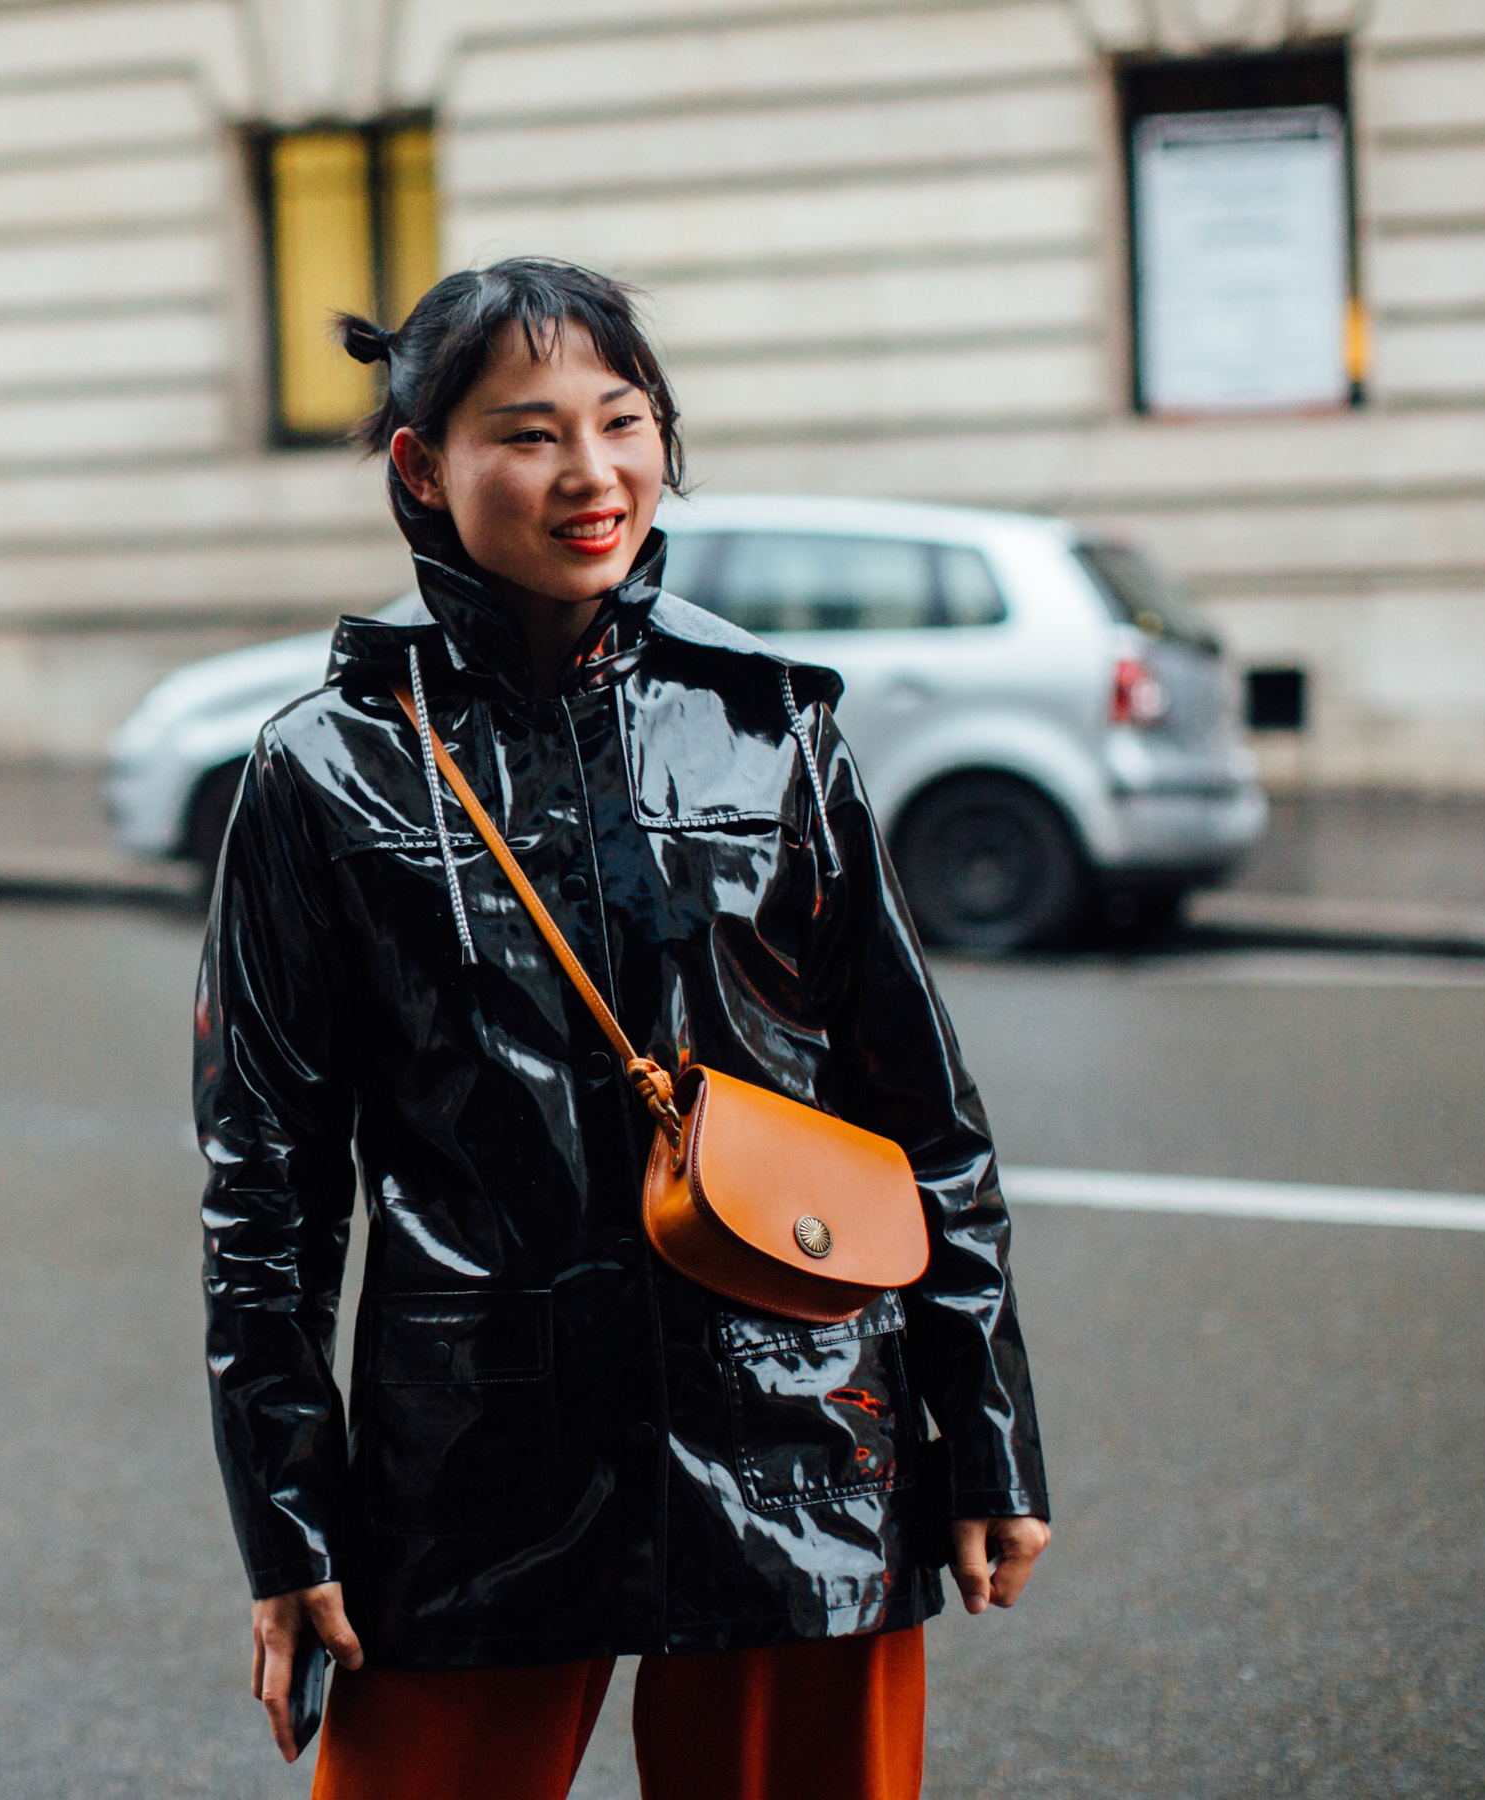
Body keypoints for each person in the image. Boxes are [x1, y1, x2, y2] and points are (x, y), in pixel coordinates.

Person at [195, 258, 1051, 1800]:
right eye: (526, 434)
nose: (591, 474)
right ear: (421, 468)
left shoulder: (771, 723)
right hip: (476, 1460)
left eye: (623, 420)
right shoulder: (320, 773)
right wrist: (289, 1527)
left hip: (799, 1420)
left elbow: (922, 1113)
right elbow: (266, 1186)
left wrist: (984, 1433)